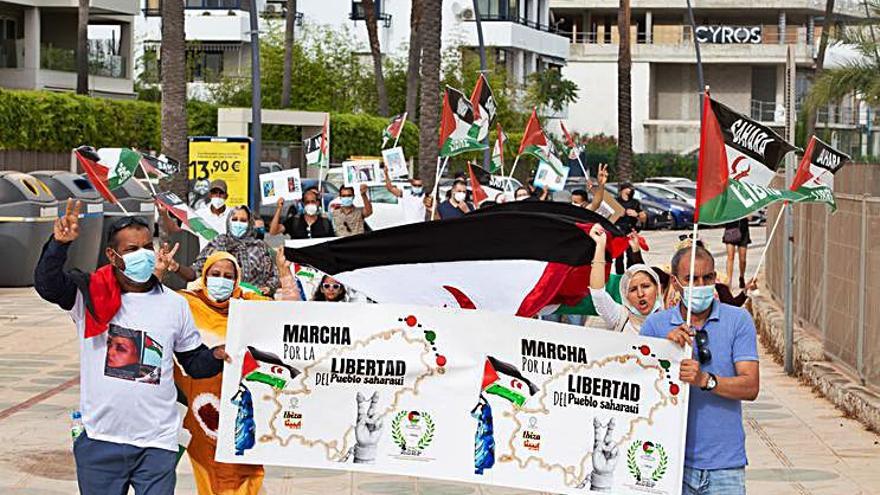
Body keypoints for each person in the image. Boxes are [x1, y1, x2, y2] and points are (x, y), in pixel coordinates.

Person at [34, 199, 229, 495]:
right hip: (100, 441)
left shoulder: (174, 304)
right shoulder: (88, 295)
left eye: (146, 247)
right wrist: (58, 245)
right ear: (112, 255)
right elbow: (47, 285)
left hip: (157, 444)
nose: (143, 255)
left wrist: (217, 355)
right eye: (131, 250)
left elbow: (195, 363)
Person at [640, 245, 759, 495]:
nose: (700, 284)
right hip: (669, 463)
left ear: (715, 279)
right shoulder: (656, 325)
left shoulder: (738, 320)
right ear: (675, 282)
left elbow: (750, 386)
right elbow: (640, 390)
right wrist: (665, 352)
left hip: (724, 466)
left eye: (707, 278)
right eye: (690, 279)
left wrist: (706, 380)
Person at [173, 251, 281, 495]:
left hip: (240, 410)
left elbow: (286, 315)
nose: (221, 280)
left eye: (228, 276)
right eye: (215, 274)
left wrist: (285, 276)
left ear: (236, 281)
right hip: (202, 412)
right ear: (205, 276)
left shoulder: (249, 306)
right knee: (212, 470)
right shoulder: (186, 303)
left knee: (240, 469)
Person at [173, 206, 280, 296]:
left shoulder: (260, 248)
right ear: (229, 222)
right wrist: (176, 267)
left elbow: (274, 276)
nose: (238, 224)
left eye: (243, 221)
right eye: (234, 219)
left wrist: (268, 288)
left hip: (251, 303)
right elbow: (196, 272)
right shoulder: (219, 242)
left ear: (250, 223)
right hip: (220, 303)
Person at [588, 224, 663, 334]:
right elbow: (598, 294)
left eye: (646, 286)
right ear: (625, 296)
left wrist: (636, 251)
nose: (640, 294)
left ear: (657, 288)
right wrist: (600, 246)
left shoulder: (672, 318)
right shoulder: (620, 317)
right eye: (632, 289)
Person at [160, 179, 232, 250]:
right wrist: (164, 214)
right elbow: (176, 230)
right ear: (210, 195)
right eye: (214, 192)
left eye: (221, 193)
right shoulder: (200, 214)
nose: (218, 196)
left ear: (226, 196)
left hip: (228, 259)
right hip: (206, 259)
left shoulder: (233, 215)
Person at [269, 190, 335, 239]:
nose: (310, 204)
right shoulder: (294, 221)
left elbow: (332, 244)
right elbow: (273, 231)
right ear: (303, 204)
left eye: (313, 201)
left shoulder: (325, 223)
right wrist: (279, 209)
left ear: (317, 203)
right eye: (307, 202)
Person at [614, 182, 646, 274]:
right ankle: (619, 275)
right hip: (618, 230)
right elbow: (609, 215)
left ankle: (630, 273)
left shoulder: (635, 202)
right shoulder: (616, 201)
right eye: (628, 188)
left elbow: (643, 216)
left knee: (631, 254)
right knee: (619, 256)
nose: (631, 190)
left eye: (631, 189)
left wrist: (636, 215)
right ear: (622, 190)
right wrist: (619, 213)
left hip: (630, 230)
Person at [723, 218, 751, 289]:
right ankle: (729, 281)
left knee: (742, 260)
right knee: (730, 257)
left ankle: (742, 277)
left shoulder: (745, 206)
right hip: (730, 230)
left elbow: (750, 217)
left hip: (743, 231)